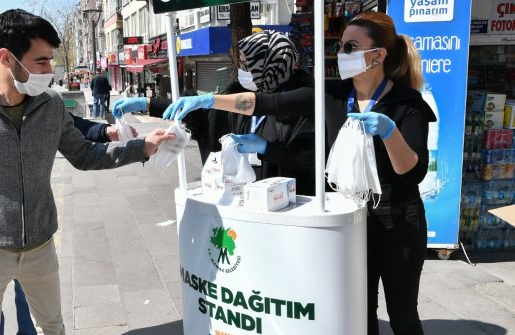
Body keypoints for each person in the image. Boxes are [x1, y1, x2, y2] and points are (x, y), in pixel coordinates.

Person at [163, 12, 434, 335]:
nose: (341, 53)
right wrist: (208, 101)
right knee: (360, 313)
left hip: (397, 220)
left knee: (403, 316)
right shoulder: (331, 95)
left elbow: (412, 172)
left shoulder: (407, 103)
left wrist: (390, 132)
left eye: (350, 47)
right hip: (351, 217)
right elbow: (264, 102)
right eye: (341, 45)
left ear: (378, 55)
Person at [0, 9, 172, 334]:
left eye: (50, 60)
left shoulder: (50, 105)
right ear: (6, 57)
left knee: (51, 327)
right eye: (40, 61)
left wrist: (141, 148)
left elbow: (84, 154)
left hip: (40, 246)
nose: (49, 71)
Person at [112, 31, 316, 193]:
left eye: (247, 63)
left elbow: (308, 164)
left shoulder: (300, 103)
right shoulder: (235, 96)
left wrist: (267, 148)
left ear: (269, 65)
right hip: (241, 200)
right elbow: (194, 111)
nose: (241, 69)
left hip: (284, 205)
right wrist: (144, 103)